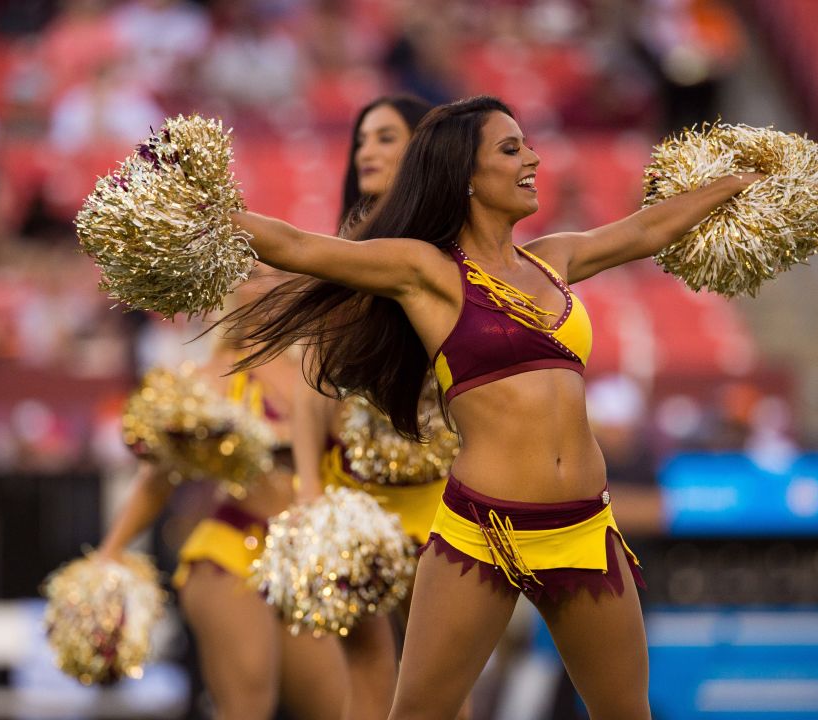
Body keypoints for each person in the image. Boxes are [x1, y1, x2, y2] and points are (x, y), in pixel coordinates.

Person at [225, 95, 764, 719]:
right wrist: (208, 212)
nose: (532, 157)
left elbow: (645, 229)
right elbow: (298, 246)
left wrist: (735, 184)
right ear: (466, 176)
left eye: (527, 145)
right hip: (480, 534)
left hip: (586, 530)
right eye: (511, 149)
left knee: (627, 712)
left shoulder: (555, 259)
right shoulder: (427, 271)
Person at [97, 294, 346, 720]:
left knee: (341, 708)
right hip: (230, 553)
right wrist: (110, 553)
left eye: (278, 273)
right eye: (252, 276)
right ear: (227, 293)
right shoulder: (210, 379)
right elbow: (157, 477)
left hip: (305, 564)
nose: (268, 286)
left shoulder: (319, 372)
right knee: (247, 707)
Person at [292, 95, 449, 720]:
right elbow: (311, 391)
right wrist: (308, 495)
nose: (366, 152)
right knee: (368, 675)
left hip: (442, 495)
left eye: (385, 137)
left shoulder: (449, 257)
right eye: (360, 141)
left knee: (441, 683)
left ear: (422, 152)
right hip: (354, 496)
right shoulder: (344, 255)